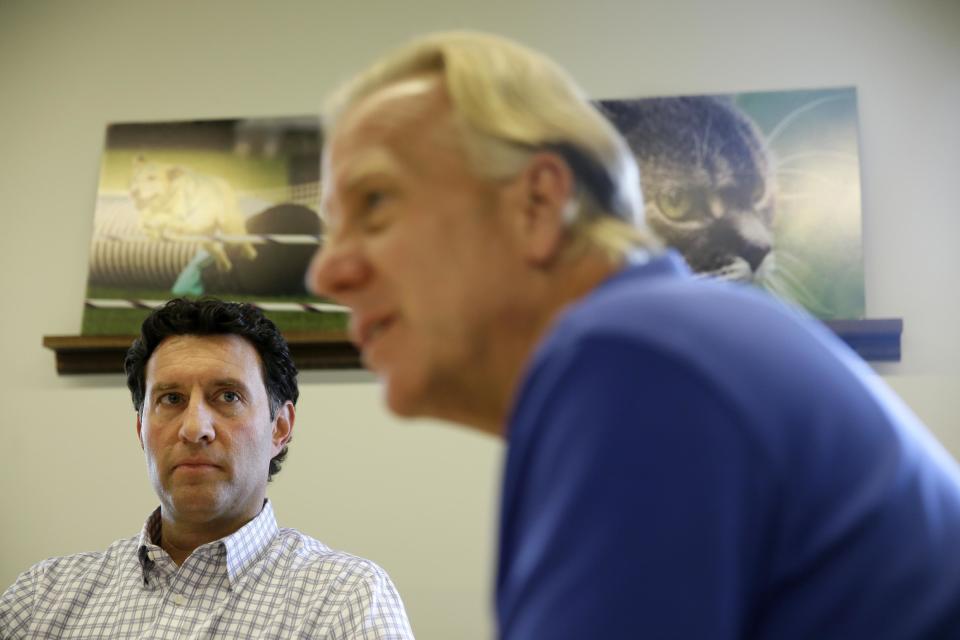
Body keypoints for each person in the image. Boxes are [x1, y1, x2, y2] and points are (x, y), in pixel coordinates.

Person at [306, 31, 960, 639]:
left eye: (375, 203)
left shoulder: (631, 358)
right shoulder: (661, 342)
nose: (328, 271)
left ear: (537, 206)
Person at [0, 298, 413, 639]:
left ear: (280, 427)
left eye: (228, 396)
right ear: (142, 429)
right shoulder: (43, 598)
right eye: (171, 399)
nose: (195, 427)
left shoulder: (347, 601)